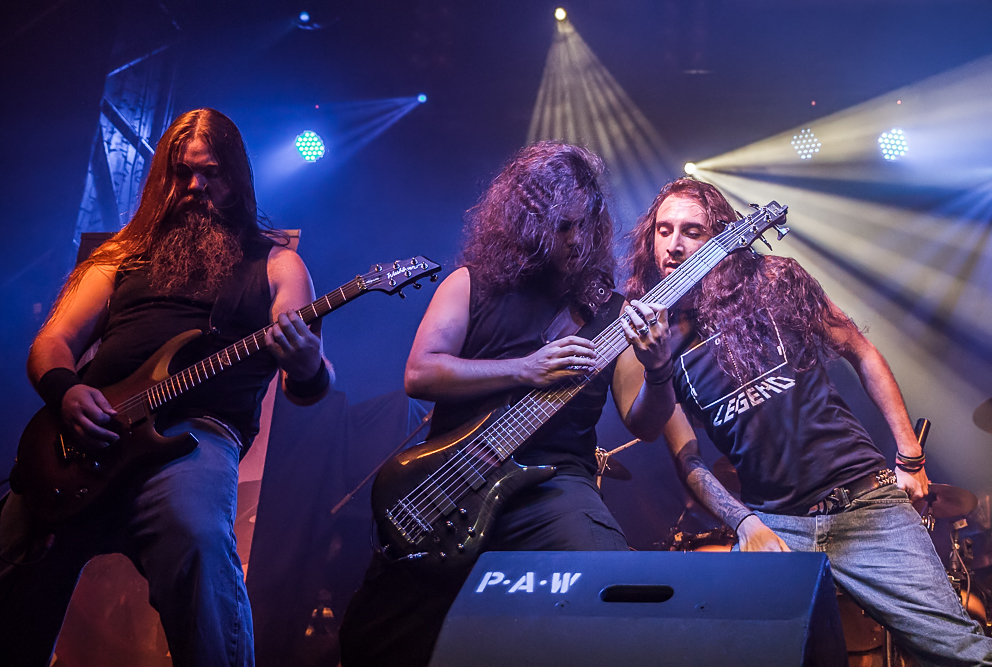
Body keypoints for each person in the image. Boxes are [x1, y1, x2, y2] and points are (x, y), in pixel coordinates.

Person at [0, 108, 333, 667]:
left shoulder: (277, 265)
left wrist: (307, 362)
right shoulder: (119, 256)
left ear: (237, 178)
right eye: (182, 172)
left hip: (196, 437)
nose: (196, 186)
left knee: (196, 536)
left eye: (212, 172)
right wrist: (67, 392)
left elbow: (308, 382)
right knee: (12, 557)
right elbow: (53, 341)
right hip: (88, 432)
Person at [625, 177, 992, 665]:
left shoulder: (773, 280)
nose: (674, 244)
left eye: (692, 231)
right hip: (776, 523)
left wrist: (910, 455)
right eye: (664, 230)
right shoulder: (650, 336)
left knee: (961, 652)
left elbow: (860, 350)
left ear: (719, 237)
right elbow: (682, 454)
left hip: (864, 503)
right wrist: (744, 522)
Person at [339, 141, 676, 667]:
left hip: (554, 485)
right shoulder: (469, 283)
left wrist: (658, 369)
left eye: (586, 224)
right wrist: (524, 368)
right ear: (529, 221)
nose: (577, 239)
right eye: (563, 226)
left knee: (610, 587)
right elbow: (419, 373)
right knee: (376, 641)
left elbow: (646, 423)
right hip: (453, 481)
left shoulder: (616, 313)